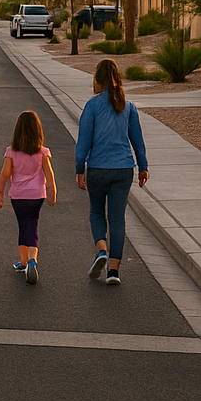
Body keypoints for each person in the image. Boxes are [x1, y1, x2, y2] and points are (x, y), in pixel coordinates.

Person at [75, 58, 148, 285]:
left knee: (97, 212)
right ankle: (113, 272)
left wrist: (80, 168)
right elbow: (138, 141)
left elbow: (83, 142)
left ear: (98, 79)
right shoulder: (128, 107)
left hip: (98, 167)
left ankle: (101, 251)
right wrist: (143, 167)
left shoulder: (92, 105)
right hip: (123, 169)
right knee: (117, 218)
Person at [0, 110, 56, 284]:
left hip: (18, 196)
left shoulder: (11, 152)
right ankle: (31, 260)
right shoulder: (42, 152)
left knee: (23, 225)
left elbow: (5, 174)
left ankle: (24, 262)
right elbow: (49, 174)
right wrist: (52, 193)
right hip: (37, 196)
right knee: (32, 224)